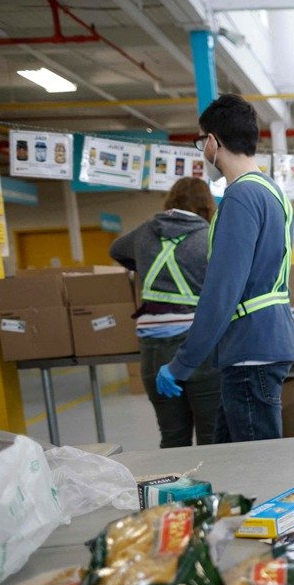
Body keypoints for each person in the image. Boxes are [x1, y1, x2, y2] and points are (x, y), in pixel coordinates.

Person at [156, 93, 294, 443]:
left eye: (199, 142)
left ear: (211, 142)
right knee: (227, 460)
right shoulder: (271, 192)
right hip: (261, 344)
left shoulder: (239, 197)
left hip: (250, 352)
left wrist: (183, 363)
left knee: (258, 473)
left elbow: (222, 291)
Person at [110, 177, 220, 447]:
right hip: (198, 345)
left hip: (153, 347)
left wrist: (144, 264)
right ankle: (215, 489)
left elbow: (116, 250)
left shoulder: (145, 231)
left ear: (171, 200)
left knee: (172, 435)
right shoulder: (209, 236)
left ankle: (173, 489)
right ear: (207, 205)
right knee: (212, 435)